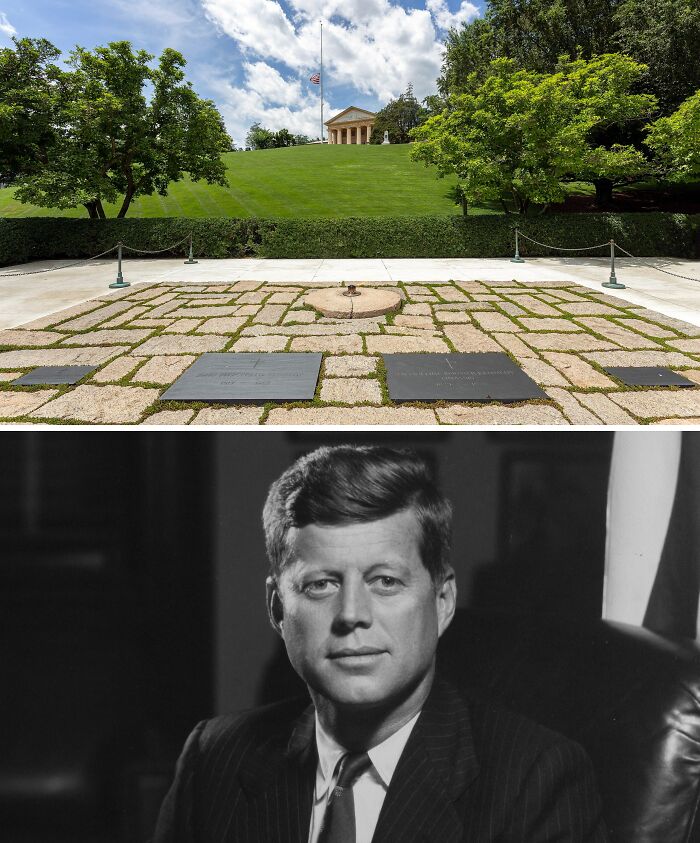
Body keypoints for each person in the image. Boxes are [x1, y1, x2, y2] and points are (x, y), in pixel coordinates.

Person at [153, 445, 608, 843]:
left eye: (385, 581)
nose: (352, 613)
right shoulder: (214, 756)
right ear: (277, 608)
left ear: (443, 601)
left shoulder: (535, 779)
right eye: (321, 585)